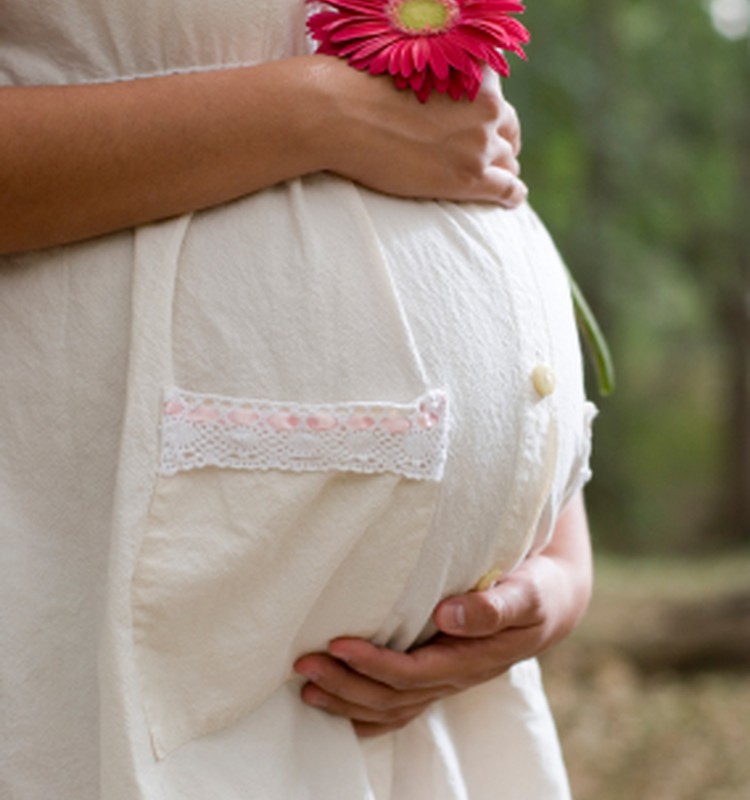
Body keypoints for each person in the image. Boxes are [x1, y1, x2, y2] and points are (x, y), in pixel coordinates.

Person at [0, 1, 596, 798]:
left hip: (440, 711)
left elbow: (467, 149)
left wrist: (556, 559)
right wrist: (317, 113)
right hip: (110, 616)